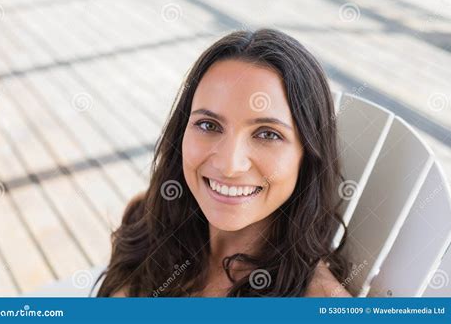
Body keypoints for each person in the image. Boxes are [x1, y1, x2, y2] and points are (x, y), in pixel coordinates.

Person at [95, 28, 352, 297]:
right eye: (208, 125)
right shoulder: (144, 221)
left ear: (307, 155)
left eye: (267, 134)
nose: (229, 165)